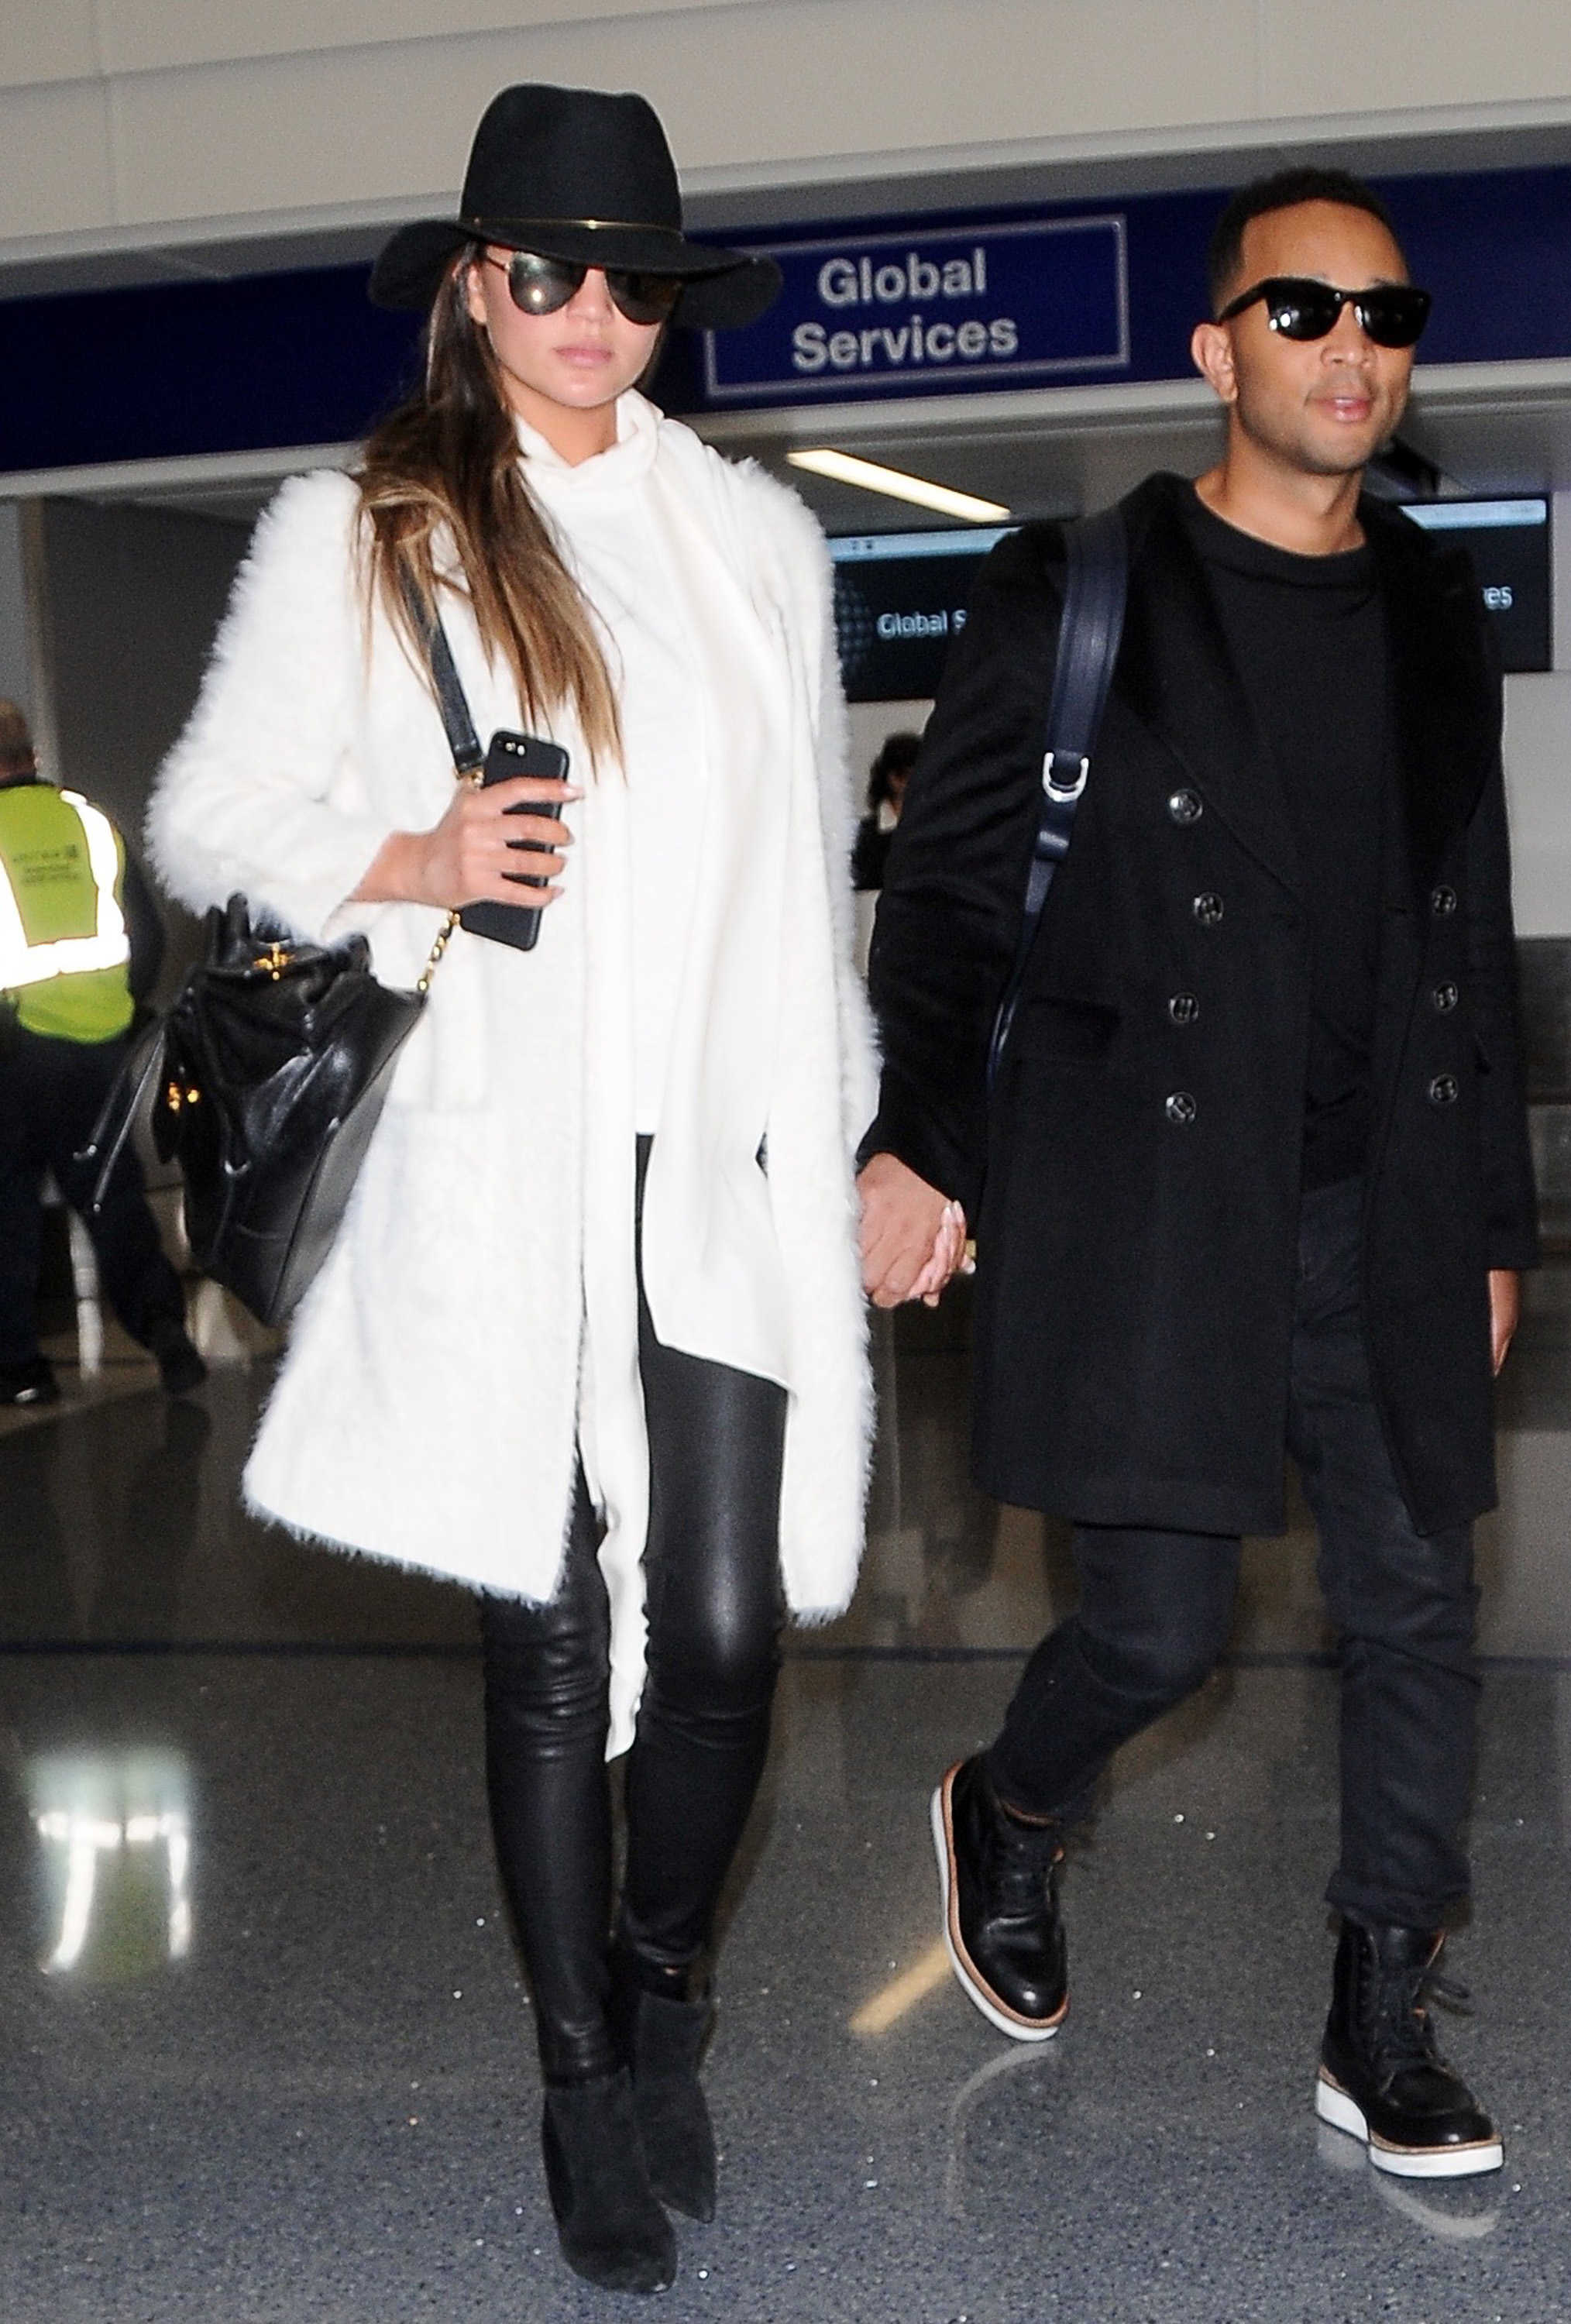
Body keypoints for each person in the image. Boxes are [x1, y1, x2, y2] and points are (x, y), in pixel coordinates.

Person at [150, 84, 903, 2294]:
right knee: (555, 1634)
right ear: (474, 285)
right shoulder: (372, 532)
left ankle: (667, 1980)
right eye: (544, 268)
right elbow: (210, 818)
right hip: (503, 1167)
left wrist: (854, 1134)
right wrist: (413, 861)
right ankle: (584, 2076)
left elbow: (799, 910)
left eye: (629, 279)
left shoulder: (755, 543)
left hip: (725, 1155)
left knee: (739, 1631)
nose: (589, 314)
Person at [857, 167, 1538, 2181]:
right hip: (1157, 1195)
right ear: (1215, 348)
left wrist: (1490, 1219)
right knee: (1163, 1637)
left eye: (1384, 313)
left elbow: (1466, 932)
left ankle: (1377, 2013)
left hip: (1381, 1203)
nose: (1350, 347)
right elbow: (952, 895)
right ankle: (1013, 1805)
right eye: (1302, 310)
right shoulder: (1072, 588)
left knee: (1416, 1606)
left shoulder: (1429, 609)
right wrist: (917, 1137)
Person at [0, 700, 205, 1406]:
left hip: (11, 1056)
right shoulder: (91, 822)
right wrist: (117, 1015)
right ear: (28, 754)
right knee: (112, 1198)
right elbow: (145, 937)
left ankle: (21, 1369)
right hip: (96, 1048)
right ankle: (165, 1333)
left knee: (8, 1213)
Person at [852, 731, 918, 893]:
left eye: (913, 775)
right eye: (901, 774)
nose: (906, 783)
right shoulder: (865, 836)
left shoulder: (940, 830)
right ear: (887, 776)